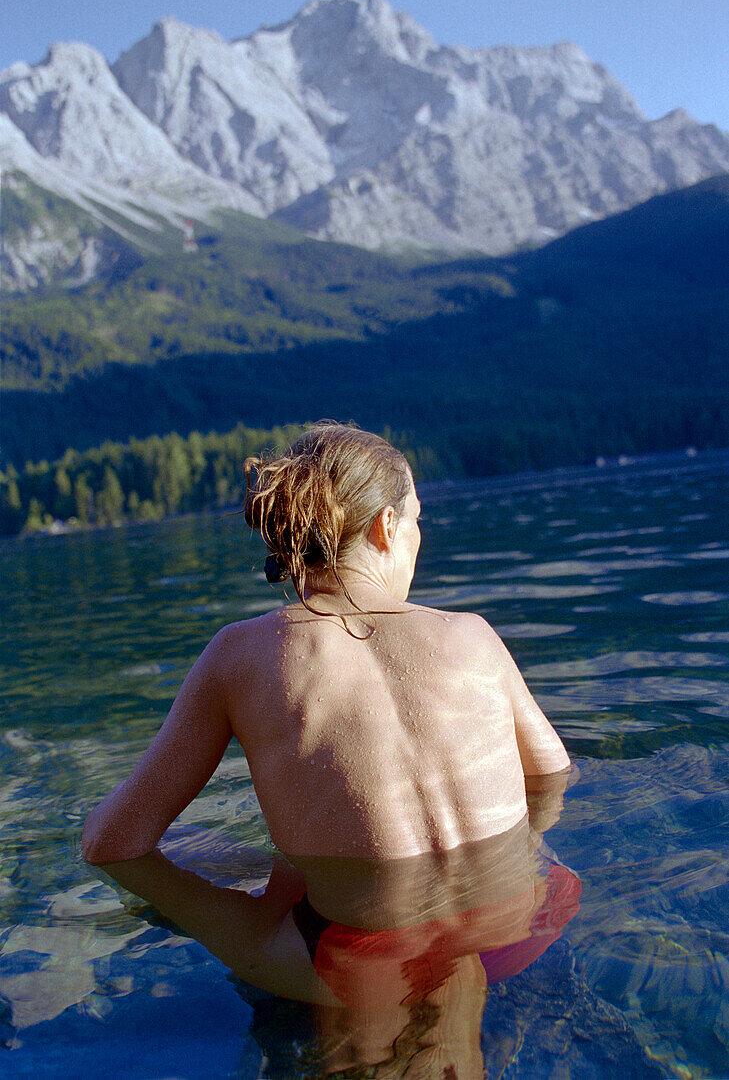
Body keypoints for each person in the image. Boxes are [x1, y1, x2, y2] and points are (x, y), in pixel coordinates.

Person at [82, 421, 572, 1009]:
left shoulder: (238, 656)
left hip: (361, 973)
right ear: (386, 527)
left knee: (177, 846)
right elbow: (549, 776)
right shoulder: (471, 635)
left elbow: (113, 842)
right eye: (418, 520)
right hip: (520, 928)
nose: (420, 536)